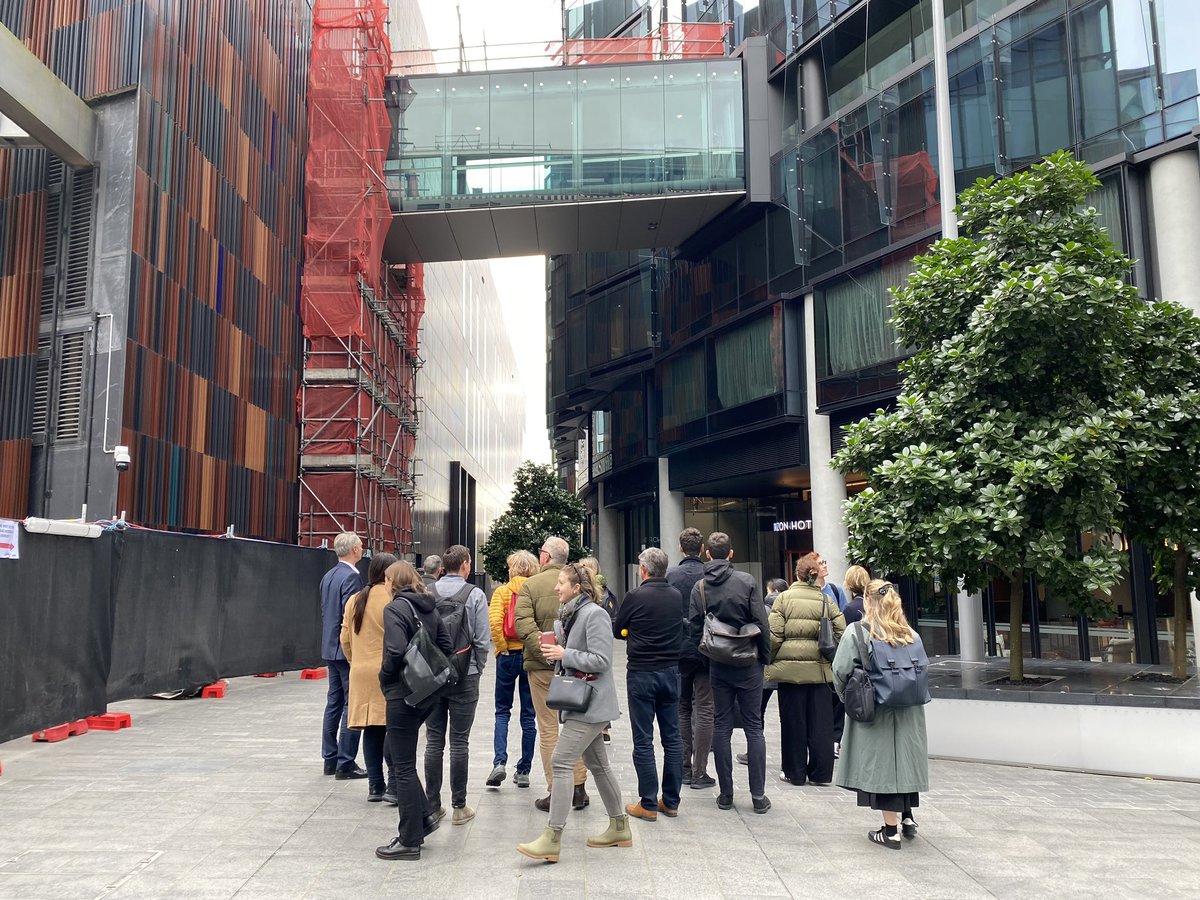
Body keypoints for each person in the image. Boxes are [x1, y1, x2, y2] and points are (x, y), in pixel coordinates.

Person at [516, 563, 630, 862]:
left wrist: (565, 654)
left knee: (562, 761)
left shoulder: (594, 614)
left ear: (577, 587)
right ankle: (620, 827)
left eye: (562, 583)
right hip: (585, 702)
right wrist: (557, 648)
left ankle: (552, 837)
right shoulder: (572, 613)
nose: (556, 588)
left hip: (591, 704)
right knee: (599, 765)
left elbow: (602, 660)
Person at [832, 579, 929, 850]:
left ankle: (890, 831)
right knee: (905, 763)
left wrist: (848, 700)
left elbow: (839, 672)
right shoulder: (911, 634)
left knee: (884, 767)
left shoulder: (858, 632)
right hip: (910, 711)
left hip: (876, 710)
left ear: (867, 601)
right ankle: (908, 818)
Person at [687, 532, 771, 814]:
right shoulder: (746, 581)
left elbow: (695, 628)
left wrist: (707, 655)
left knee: (721, 726)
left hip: (719, 664)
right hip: (748, 662)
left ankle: (726, 794)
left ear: (707, 554)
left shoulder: (700, 587)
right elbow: (761, 621)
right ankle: (758, 796)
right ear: (730, 554)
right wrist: (765, 657)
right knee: (753, 727)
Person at [376, 561, 452, 861]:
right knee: (393, 753)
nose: (384, 583)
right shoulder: (428, 606)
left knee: (402, 764)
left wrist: (385, 678)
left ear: (394, 581)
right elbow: (446, 644)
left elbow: (394, 651)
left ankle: (409, 839)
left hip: (402, 693)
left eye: (386, 579)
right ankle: (424, 817)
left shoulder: (395, 608)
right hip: (427, 692)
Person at [515, 536, 589, 812]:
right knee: (575, 726)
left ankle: (556, 791)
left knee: (547, 728)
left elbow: (522, 623)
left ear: (544, 556)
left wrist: (547, 650)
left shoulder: (530, 585)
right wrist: (568, 653)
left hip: (542, 668)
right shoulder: (579, 582)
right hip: (576, 667)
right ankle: (579, 788)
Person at [613, 547, 685, 821]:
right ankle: (671, 800)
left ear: (643, 570)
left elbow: (618, 628)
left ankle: (648, 803)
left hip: (642, 673)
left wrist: (630, 631)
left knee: (643, 739)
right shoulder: (676, 595)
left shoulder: (635, 596)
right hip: (670, 671)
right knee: (673, 738)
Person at [424, 544, 490, 826]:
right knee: (459, 741)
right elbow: (482, 640)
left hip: (432, 676)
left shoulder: (428, 593)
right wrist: (478, 667)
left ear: (442, 568)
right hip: (465, 674)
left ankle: (432, 805)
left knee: (433, 741)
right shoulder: (474, 594)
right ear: (465, 564)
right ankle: (459, 807)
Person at [767, 556, 846, 787]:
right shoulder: (825, 601)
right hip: (820, 672)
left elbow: (774, 636)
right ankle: (821, 773)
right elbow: (841, 632)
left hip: (789, 672)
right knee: (821, 723)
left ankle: (795, 772)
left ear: (797, 574)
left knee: (793, 722)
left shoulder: (783, 599)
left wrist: (771, 660)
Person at [340, 552, 397, 801]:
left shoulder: (355, 599)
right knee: (394, 728)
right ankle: (395, 784)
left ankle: (375, 786)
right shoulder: (393, 598)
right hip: (388, 671)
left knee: (371, 729)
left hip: (360, 672)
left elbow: (344, 638)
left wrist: (356, 662)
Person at [486, 549, 539, 790]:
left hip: (507, 656)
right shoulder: (536, 591)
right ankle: (524, 769)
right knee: (529, 714)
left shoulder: (503, 592)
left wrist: (502, 648)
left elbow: (495, 621)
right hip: (530, 655)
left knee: (502, 710)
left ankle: (499, 762)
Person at [667, 528, 714, 790]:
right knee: (705, 708)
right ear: (702, 548)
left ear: (681, 549)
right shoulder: (711, 574)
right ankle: (700, 771)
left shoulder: (671, 575)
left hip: (678, 649)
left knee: (682, 706)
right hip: (707, 648)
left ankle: (684, 766)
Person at [319, 531, 366, 779]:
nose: (362, 548)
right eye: (360, 545)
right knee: (351, 703)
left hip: (329, 647)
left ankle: (330, 758)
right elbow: (351, 616)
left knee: (334, 702)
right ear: (354, 550)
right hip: (343, 648)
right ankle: (345, 762)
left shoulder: (329, 576)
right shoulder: (351, 578)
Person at [737, 577, 788, 768]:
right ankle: (789, 756)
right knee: (788, 715)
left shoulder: (764, 610)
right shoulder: (789, 609)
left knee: (757, 713)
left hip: (766, 669)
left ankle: (754, 753)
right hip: (788, 669)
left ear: (771, 591)